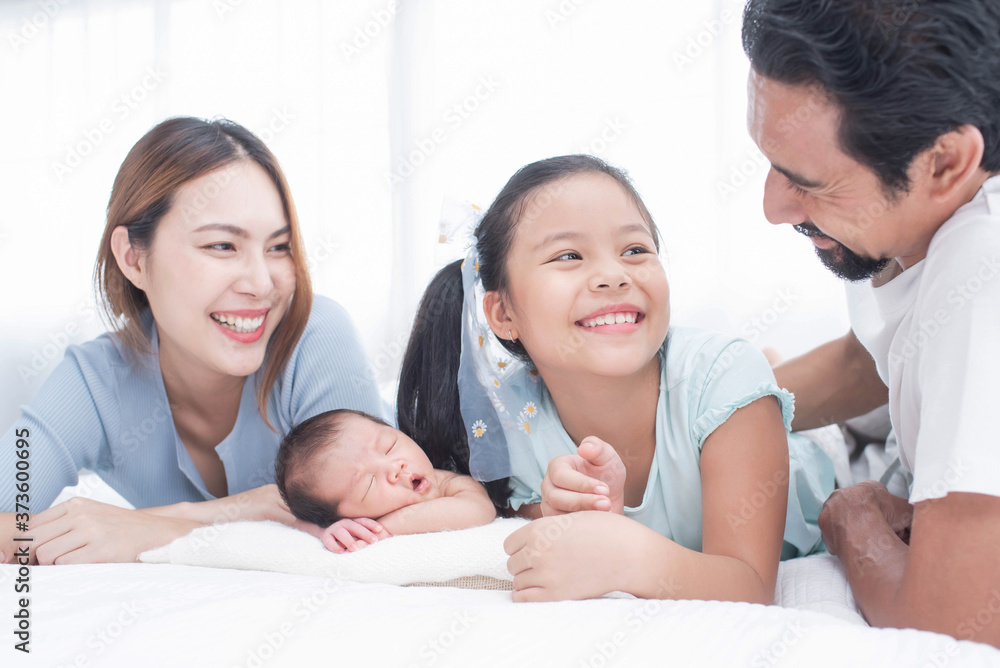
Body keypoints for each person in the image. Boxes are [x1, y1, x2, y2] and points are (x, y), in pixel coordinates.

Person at [396, 154, 836, 603]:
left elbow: (750, 587)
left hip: (807, 463)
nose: (613, 275)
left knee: (762, 390)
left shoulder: (725, 378)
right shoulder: (509, 429)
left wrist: (628, 555)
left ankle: (778, 376)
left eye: (635, 250)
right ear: (504, 314)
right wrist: (561, 515)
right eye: (568, 255)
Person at [0, 117, 385, 565]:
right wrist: (214, 516)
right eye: (222, 246)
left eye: (278, 248)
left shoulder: (316, 333)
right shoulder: (93, 381)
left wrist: (155, 525)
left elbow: (382, 519)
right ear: (133, 258)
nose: (262, 284)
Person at [742, 0, 1000, 646]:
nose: (773, 207)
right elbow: (878, 358)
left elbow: (949, 625)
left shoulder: (985, 274)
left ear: (945, 163)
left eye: (809, 182)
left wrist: (852, 521)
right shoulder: (941, 224)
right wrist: (714, 409)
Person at [274, 408, 497, 553]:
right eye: (369, 484)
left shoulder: (446, 482)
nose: (394, 468)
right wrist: (327, 531)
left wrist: (385, 528)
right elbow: (298, 522)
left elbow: (479, 508)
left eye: (389, 446)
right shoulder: (349, 521)